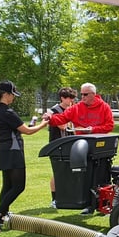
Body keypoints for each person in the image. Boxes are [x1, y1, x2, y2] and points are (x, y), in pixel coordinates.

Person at [0, 81, 49, 233]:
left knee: (7, 186)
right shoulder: (8, 112)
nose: (14, 97)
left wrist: (32, 124)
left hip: (3, 151)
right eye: (12, 95)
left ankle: (2, 216)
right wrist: (43, 123)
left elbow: (16, 129)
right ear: (5, 94)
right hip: (13, 152)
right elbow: (27, 131)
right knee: (19, 186)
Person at [42, 82, 114, 214]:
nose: (82, 97)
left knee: (99, 175)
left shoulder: (104, 107)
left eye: (85, 94)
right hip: (81, 145)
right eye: (81, 94)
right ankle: (86, 203)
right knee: (84, 175)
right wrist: (50, 118)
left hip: (99, 145)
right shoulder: (77, 107)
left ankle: (100, 203)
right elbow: (62, 118)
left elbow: (109, 126)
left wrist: (92, 130)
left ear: (93, 94)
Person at [47, 87, 77, 208]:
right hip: (57, 145)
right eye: (70, 98)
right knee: (57, 172)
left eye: (73, 98)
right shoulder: (55, 110)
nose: (72, 100)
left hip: (69, 145)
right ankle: (55, 199)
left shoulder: (71, 110)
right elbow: (63, 126)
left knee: (69, 171)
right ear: (62, 98)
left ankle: (67, 197)